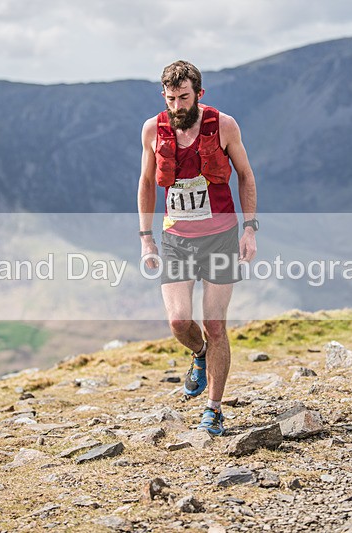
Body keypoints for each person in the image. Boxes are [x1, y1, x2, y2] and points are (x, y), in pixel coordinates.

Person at [137, 60, 259, 436]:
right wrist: (145, 238)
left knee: (215, 325)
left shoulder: (224, 125)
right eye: (171, 98)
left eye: (184, 97)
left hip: (221, 237)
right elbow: (146, 183)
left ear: (199, 93)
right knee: (178, 321)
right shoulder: (152, 129)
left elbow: (246, 175)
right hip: (176, 240)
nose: (178, 106)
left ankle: (214, 409)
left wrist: (250, 229)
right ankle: (200, 354)